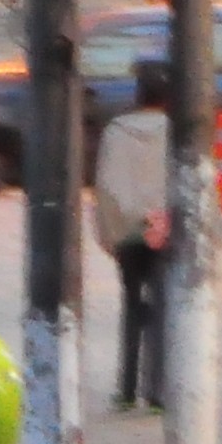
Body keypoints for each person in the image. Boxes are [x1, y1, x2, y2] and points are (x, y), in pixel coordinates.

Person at [91, 59, 175, 409]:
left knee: (132, 305)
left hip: (128, 231)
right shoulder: (176, 130)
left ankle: (125, 389)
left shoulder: (116, 131)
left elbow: (106, 185)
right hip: (168, 229)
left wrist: (110, 232)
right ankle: (155, 391)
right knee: (162, 307)